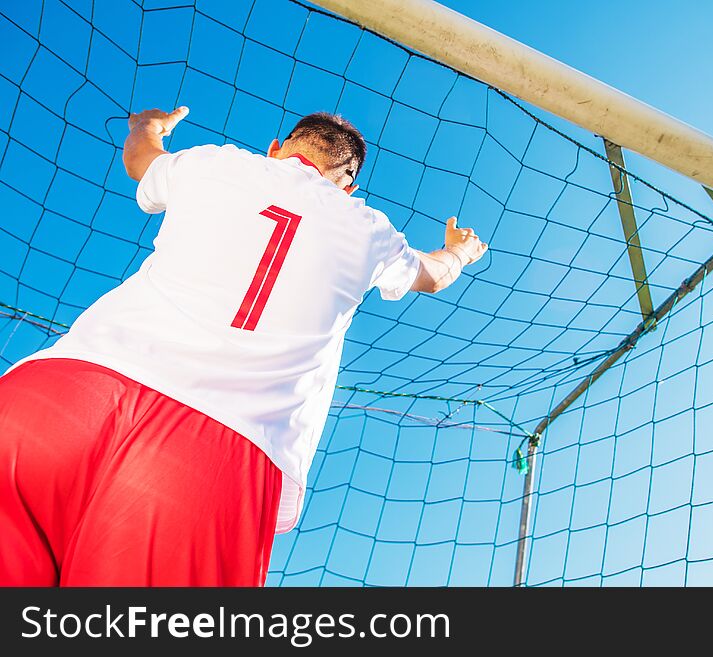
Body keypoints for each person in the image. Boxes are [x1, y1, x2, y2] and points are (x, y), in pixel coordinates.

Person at [0, 107, 487, 586]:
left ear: (276, 149)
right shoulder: (371, 230)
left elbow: (140, 161)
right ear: (348, 186)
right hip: (211, 451)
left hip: (59, 395)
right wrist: (462, 248)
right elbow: (435, 274)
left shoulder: (214, 162)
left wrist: (147, 126)